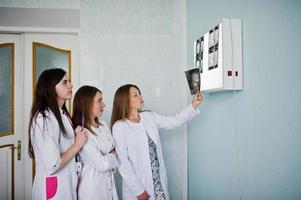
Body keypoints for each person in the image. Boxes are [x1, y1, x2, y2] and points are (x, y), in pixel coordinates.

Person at [111, 84, 203, 200]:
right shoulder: (120, 126)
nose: (140, 97)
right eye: (135, 95)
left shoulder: (149, 116)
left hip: (159, 185)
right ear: (125, 101)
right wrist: (139, 191)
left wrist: (193, 105)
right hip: (138, 189)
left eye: (139, 93)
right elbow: (123, 163)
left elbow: (174, 121)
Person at [28, 68, 87, 200]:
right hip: (55, 190)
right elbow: (53, 164)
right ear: (50, 88)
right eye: (64, 82)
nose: (71, 85)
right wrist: (77, 145)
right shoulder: (44, 118)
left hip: (67, 184)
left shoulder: (61, 114)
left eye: (69, 81)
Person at [72, 85, 119, 200]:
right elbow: (102, 164)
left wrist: (110, 158)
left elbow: (109, 159)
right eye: (99, 101)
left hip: (109, 184)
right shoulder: (81, 132)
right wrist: (114, 154)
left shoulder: (103, 124)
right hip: (92, 190)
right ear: (87, 104)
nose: (104, 104)